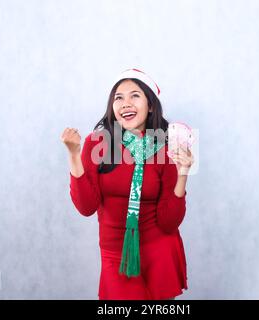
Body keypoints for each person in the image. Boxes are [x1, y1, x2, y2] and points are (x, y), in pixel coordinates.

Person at [61, 68, 194, 300]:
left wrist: (183, 172)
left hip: (158, 250)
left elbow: (169, 221)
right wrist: (74, 155)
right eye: (118, 98)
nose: (125, 103)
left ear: (150, 105)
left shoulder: (165, 146)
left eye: (135, 95)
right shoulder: (97, 144)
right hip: (116, 253)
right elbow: (86, 207)